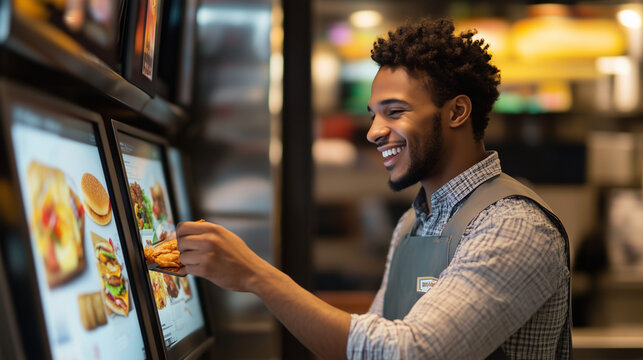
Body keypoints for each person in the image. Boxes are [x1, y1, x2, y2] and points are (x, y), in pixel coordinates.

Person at [177, 17, 571, 359]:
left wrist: (256, 276)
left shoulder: (514, 226)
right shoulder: (410, 226)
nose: (374, 132)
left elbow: (410, 353)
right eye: (374, 115)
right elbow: (373, 342)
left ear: (457, 112)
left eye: (394, 112)